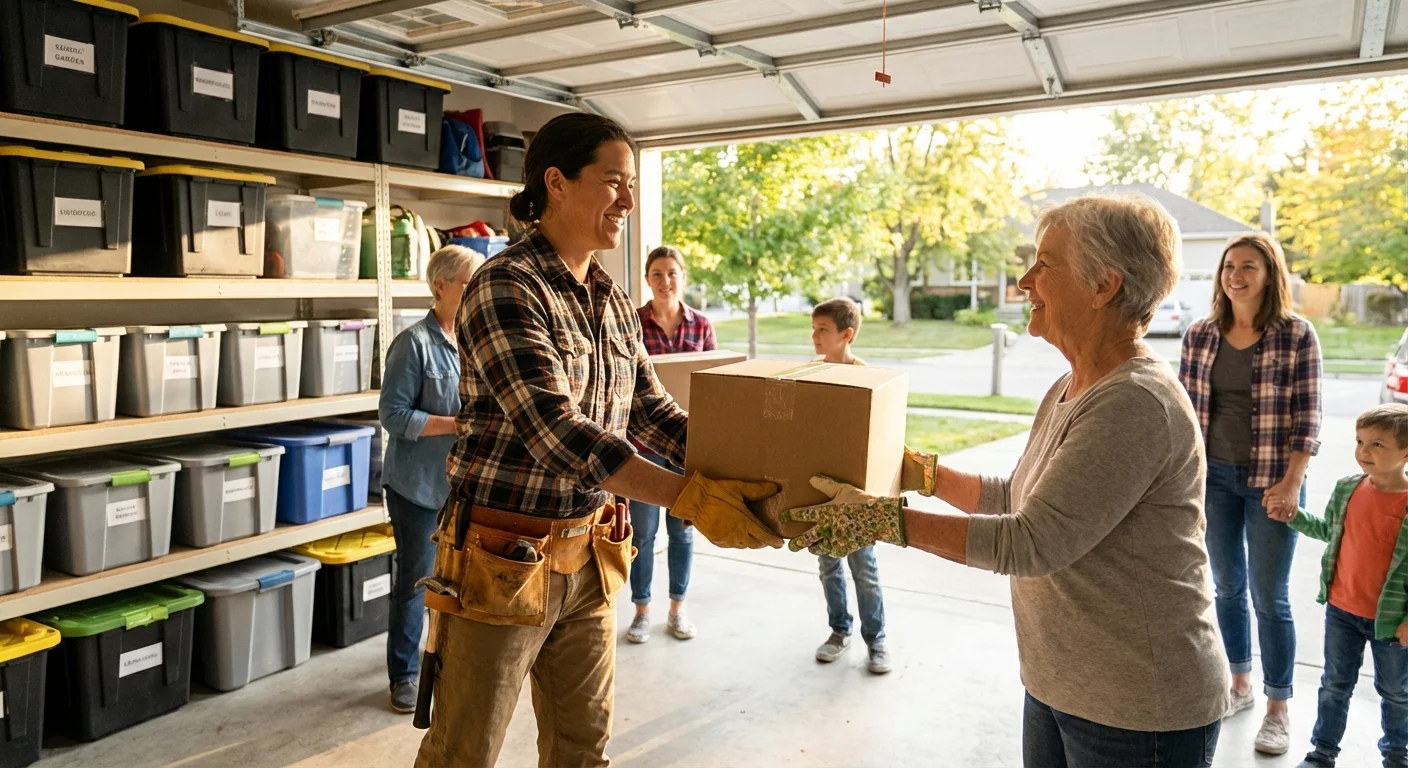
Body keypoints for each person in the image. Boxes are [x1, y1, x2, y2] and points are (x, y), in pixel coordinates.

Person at [781, 194, 1229, 768]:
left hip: (1138, 704)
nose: (1024, 280)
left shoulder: (1134, 400)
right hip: (1061, 681)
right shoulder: (1073, 386)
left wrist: (883, 520)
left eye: (1045, 264)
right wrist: (924, 474)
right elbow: (1019, 497)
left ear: (1103, 287)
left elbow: (1031, 541)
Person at [414, 112, 781, 768]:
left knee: (583, 748)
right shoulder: (506, 287)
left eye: (632, 183)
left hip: (590, 557)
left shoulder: (610, 299)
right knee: (463, 752)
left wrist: (747, 468)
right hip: (502, 556)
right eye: (613, 181)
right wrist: (690, 498)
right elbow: (558, 434)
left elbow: (652, 413)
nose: (629, 201)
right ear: (555, 182)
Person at [1179, 231, 1323, 756]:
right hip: (1212, 479)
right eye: (1229, 266)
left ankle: (1278, 709)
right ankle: (1238, 685)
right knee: (1226, 588)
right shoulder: (1201, 334)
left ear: (1270, 276)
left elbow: (1308, 418)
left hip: (1273, 482)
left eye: (1248, 267)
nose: (1236, 275)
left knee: (1271, 597)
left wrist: (1292, 481)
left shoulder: (1296, 335)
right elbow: (1186, 417)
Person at [1266, 404, 1408, 768]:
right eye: (1360, 441)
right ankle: (1323, 752)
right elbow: (1329, 531)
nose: (1363, 451)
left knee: (1395, 692)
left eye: (1378, 445)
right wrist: (1295, 516)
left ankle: (1396, 755)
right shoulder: (1348, 487)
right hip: (1342, 610)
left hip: (1391, 622)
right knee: (1334, 686)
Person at [377, 244, 484, 714]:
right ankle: (403, 674)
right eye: (468, 281)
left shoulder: (477, 338)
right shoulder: (413, 343)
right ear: (440, 286)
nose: (475, 289)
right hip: (417, 488)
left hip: (463, 486)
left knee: (460, 582)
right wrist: (456, 424)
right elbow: (393, 415)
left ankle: (448, 665)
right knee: (416, 582)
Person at [624, 245, 717, 644]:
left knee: (681, 531)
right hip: (642, 444)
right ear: (647, 279)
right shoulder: (632, 322)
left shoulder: (701, 326)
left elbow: (715, 385)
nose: (665, 281)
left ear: (684, 276)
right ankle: (642, 610)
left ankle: (677, 611)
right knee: (642, 534)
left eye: (672, 273)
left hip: (687, 445)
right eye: (657, 274)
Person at [809, 297, 890, 674]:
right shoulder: (811, 374)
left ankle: (877, 641)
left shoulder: (867, 379)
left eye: (823, 330)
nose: (815, 336)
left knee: (865, 568)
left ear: (847, 334)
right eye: (813, 329)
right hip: (821, 490)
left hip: (857, 494)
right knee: (828, 565)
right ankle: (839, 631)